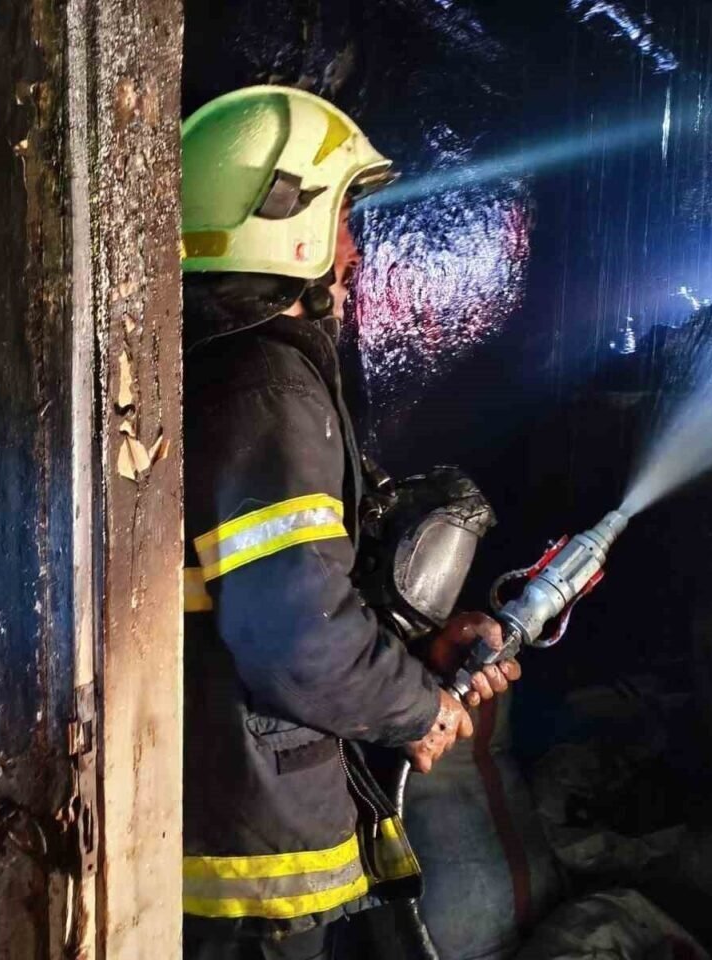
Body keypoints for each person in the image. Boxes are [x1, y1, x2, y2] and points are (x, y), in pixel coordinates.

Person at [180, 86, 522, 960]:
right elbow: (293, 633)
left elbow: (285, 591)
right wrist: (416, 709)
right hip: (253, 863)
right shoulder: (267, 388)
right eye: (341, 219)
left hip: (238, 819)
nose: (354, 250)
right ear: (286, 223)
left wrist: (419, 654)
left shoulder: (229, 370)